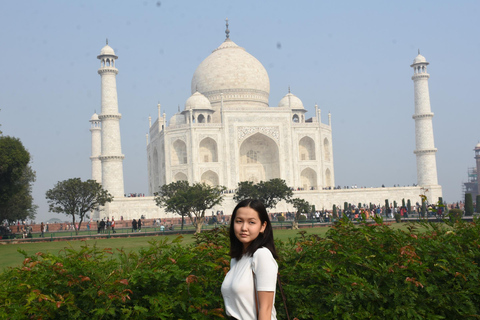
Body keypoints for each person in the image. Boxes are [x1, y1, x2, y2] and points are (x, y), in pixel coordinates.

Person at [221, 199, 278, 320]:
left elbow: (266, 309)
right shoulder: (236, 259)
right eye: (239, 221)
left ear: (263, 226)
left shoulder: (262, 255)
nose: (244, 228)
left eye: (251, 222)